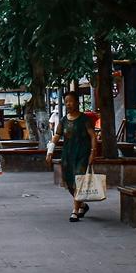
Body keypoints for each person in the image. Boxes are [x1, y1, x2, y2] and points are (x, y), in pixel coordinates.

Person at [48, 91, 100, 221]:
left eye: (71, 101)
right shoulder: (63, 120)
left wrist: (93, 152)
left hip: (82, 154)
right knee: (70, 182)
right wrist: (50, 152)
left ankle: (75, 211)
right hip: (68, 155)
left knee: (79, 180)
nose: (68, 104)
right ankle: (82, 204)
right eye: (66, 102)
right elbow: (56, 136)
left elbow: (93, 136)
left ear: (77, 102)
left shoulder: (84, 119)